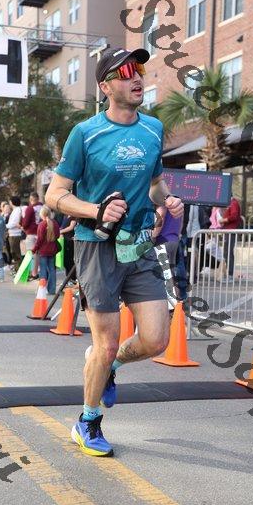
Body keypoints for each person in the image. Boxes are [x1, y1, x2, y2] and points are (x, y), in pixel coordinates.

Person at [45, 47, 184, 457]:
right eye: (124, 73)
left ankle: (110, 369)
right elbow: (55, 194)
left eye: (138, 69)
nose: (136, 77)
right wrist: (95, 210)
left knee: (157, 340)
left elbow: (155, 183)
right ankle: (87, 421)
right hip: (96, 247)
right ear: (105, 87)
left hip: (139, 245)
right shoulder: (85, 133)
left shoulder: (153, 129)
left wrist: (167, 199)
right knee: (105, 344)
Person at [32, 206, 60, 295]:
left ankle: (42, 289)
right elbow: (58, 236)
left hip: (43, 251)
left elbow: (39, 240)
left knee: (43, 270)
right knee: (52, 269)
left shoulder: (42, 224)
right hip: (52, 250)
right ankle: (52, 290)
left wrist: (34, 249)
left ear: (42, 214)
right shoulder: (55, 223)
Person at [22, 192, 43, 280]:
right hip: (41, 233)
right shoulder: (43, 207)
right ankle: (37, 271)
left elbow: (25, 222)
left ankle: (32, 273)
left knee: (31, 253)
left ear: (31, 199)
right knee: (38, 254)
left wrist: (23, 227)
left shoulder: (30, 208)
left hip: (31, 233)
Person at [221, 196, 241, 277]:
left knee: (228, 252)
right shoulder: (232, 203)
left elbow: (234, 216)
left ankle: (230, 273)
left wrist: (223, 220)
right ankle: (228, 272)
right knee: (227, 252)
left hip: (230, 230)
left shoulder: (233, 203)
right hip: (228, 230)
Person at [6, 196, 22, 273]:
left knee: (16, 253)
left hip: (15, 234)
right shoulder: (15, 210)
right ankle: (17, 269)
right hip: (13, 234)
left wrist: (5, 226)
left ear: (12, 202)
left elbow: (14, 223)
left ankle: (18, 270)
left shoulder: (17, 210)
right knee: (14, 253)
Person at [59, 215, 77, 284]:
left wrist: (60, 231)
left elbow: (71, 227)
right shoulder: (65, 216)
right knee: (66, 261)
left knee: (70, 261)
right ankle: (68, 278)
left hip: (70, 241)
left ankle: (72, 278)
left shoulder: (73, 217)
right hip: (65, 240)